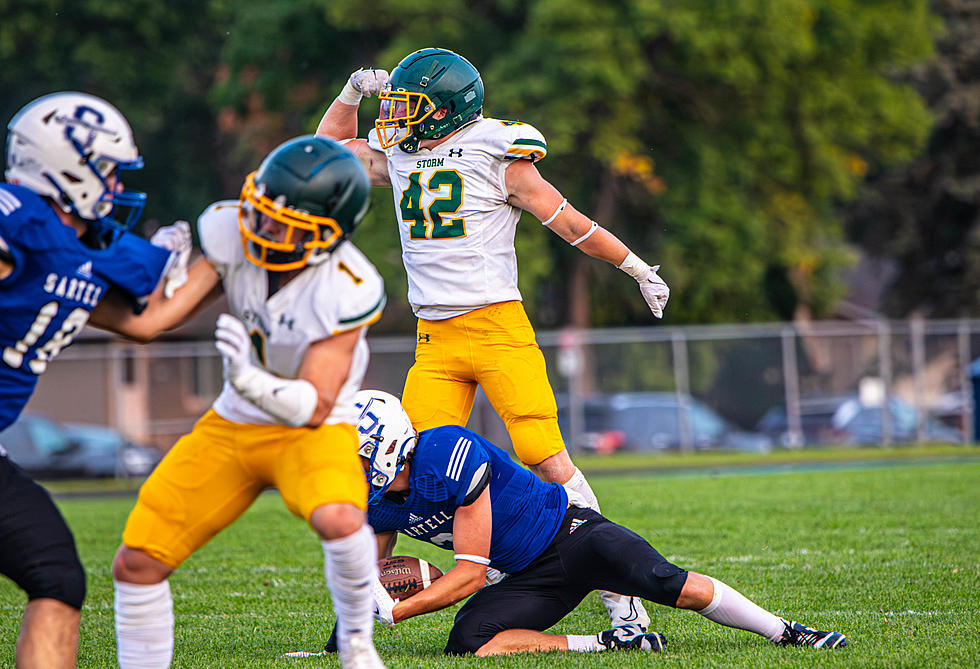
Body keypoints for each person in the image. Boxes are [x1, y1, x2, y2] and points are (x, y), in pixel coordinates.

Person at [316, 47, 669, 634]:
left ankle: (622, 605)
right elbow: (328, 155)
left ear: (448, 109)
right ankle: (357, 621)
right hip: (436, 337)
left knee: (551, 463)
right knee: (395, 477)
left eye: (411, 104)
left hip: (498, 328)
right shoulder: (400, 149)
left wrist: (636, 267)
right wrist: (351, 91)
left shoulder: (496, 149)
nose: (398, 114)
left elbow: (573, 223)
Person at [102, 135, 389, 669]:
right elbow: (149, 323)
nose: (261, 228)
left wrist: (250, 379)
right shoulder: (231, 232)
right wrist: (68, 291)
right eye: (259, 212)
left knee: (341, 519)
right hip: (231, 426)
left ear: (327, 237)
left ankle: (356, 642)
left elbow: (316, 406)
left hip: (310, 430)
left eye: (284, 225)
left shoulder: (349, 285)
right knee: (137, 561)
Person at [340, 389, 848, 656]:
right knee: (467, 642)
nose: (350, 464)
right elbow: (371, 571)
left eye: (357, 452)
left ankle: (786, 632)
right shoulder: (377, 497)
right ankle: (613, 642)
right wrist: (354, 625)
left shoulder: (446, 451)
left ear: (384, 445)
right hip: (527, 576)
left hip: (570, 535)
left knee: (666, 582)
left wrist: (398, 612)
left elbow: (470, 574)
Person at [0, 91, 188, 669]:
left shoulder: (78, 252)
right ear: (64, 164)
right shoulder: (16, 220)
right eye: (104, 169)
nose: (111, 186)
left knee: (56, 574)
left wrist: (229, 255)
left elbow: (147, 320)